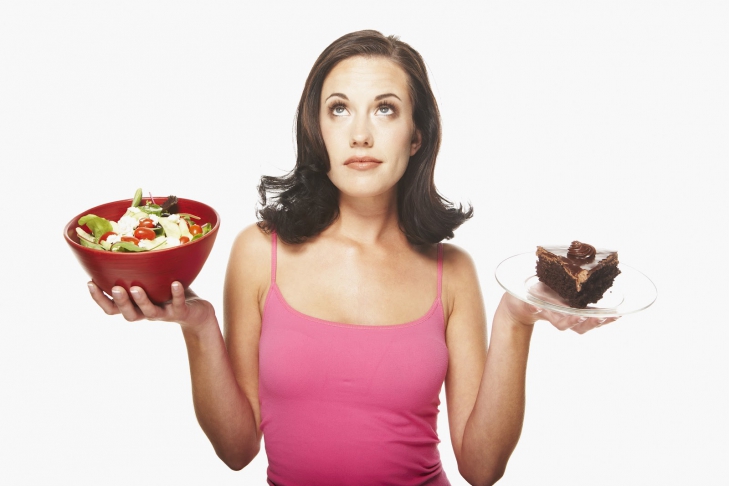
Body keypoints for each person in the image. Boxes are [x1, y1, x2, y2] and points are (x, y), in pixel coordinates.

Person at [87, 30, 614, 486]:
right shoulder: (258, 252)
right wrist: (199, 327)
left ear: (416, 136)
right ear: (317, 132)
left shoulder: (451, 271)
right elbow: (237, 450)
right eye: (339, 109)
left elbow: (482, 468)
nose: (360, 134)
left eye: (385, 109)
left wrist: (516, 318)